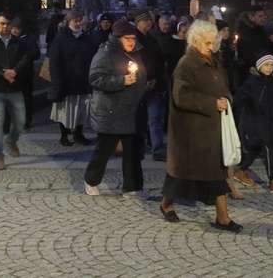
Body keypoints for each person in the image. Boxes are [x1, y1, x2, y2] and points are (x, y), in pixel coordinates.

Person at [160, 20, 242, 233]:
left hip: (212, 129)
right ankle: (166, 203)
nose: (211, 46)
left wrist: (226, 99)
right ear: (195, 41)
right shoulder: (186, 64)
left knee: (217, 173)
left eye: (212, 42)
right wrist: (211, 103)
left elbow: (224, 87)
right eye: (207, 42)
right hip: (191, 131)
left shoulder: (213, 61)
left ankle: (222, 217)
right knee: (181, 175)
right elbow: (181, 96)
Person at [84, 20, 149, 199]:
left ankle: (132, 187)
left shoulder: (134, 53)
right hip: (111, 110)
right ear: (118, 38)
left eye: (134, 38)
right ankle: (91, 180)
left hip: (131, 110)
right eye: (127, 38)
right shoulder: (106, 53)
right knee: (104, 149)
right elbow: (95, 78)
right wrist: (120, 81)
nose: (131, 42)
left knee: (133, 152)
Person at [0, 12, 33, 170]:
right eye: (2, 23)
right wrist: (2, 74)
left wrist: (14, 71)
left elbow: (27, 57)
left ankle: (11, 140)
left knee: (21, 121)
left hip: (15, 87)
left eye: (7, 23)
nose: (5, 26)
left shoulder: (18, 42)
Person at [233, 51, 273, 194]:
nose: (270, 67)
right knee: (268, 150)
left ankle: (241, 171)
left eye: (272, 65)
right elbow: (239, 98)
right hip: (255, 123)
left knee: (255, 149)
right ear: (259, 66)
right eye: (266, 65)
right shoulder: (252, 83)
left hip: (268, 123)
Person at [48, 11, 97, 146]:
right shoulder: (61, 38)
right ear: (68, 22)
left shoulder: (86, 38)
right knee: (64, 109)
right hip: (66, 81)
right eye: (75, 21)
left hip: (82, 80)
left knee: (82, 109)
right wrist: (57, 80)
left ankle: (78, 133)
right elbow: (55, 61)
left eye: (79, 21)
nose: (77, 24)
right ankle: (64, 135)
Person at [135, 12, 168, 161]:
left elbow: (159, 62)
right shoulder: (133, 39)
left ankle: (158, 148)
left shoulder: (152, 40)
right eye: (146, 21)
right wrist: (141, 82)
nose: (149, 23)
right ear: (138, 22)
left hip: (153, 84)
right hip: (137, 86)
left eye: (150, 20)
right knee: (138, 119)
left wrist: (156, 80)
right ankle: (137, 146)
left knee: (155, 117)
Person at [7, 17, 41, 130]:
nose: (15, 31)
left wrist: (25, 57)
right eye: (13, 28)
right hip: (13, 73)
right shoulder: (8, 39)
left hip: (26, 73)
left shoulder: (29, 39)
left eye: (17, 29)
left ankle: (26, 120)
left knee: (26, 98)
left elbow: (36, 54)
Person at [236, 5, 270, 86]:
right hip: (251, 74)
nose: (263, 18)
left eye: (263, 16)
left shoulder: (261, 31)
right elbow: (248, 56)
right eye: (260, 16)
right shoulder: (245, 33)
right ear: (251, 17)